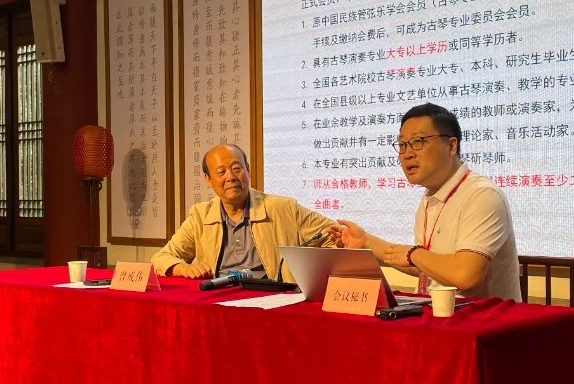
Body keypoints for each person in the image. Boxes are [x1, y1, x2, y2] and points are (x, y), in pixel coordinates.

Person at [331, 103, 521, 301]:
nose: (407, 153)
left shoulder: (481, 195)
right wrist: (366, 241)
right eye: (402, 145)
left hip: (483, 317)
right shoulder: (430, 198)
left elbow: (465, 275)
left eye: (418, 141)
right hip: (436, 313)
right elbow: (426, 267)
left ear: (451, 146)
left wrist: (413, 254)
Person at [152, 143, 337, 281]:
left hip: (270, 300)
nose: (231, 177)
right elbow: (161, 257)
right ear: (208, 180)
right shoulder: (201, 216)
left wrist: (303, 270)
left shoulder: (283, 208)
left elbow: (334, 235)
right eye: (221, 172)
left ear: (248, 170)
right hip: (218, 300)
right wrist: (184, 268)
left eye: (236, 169)